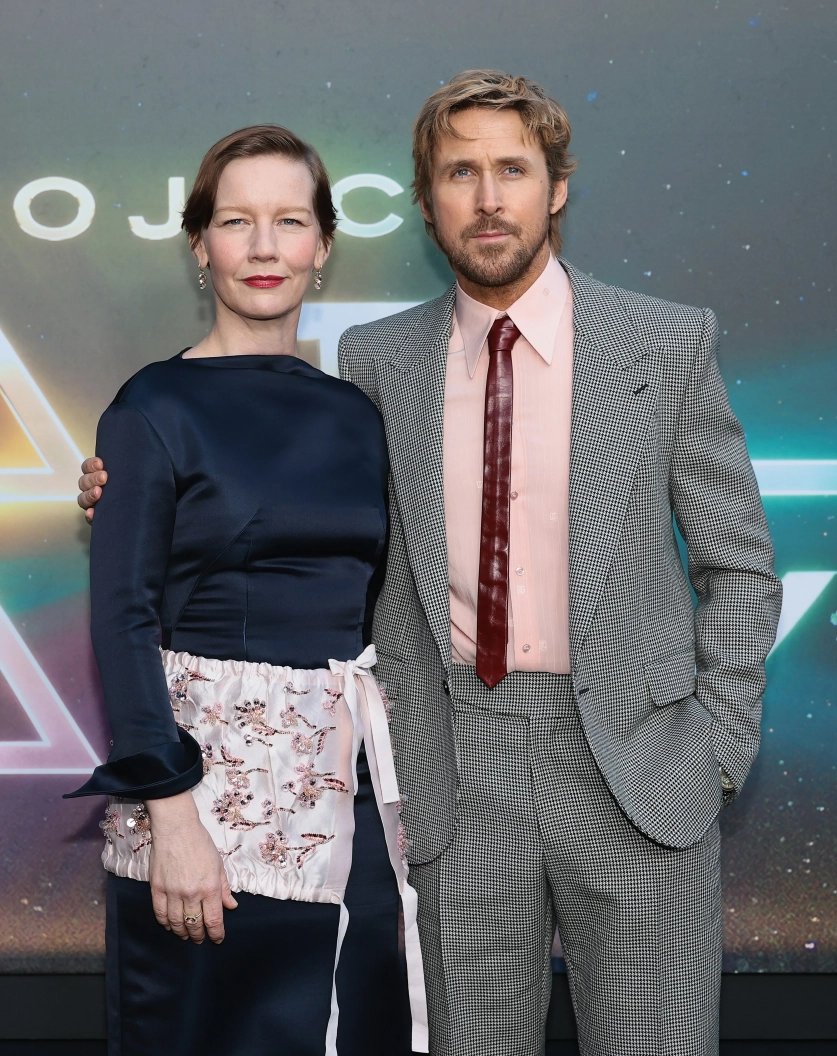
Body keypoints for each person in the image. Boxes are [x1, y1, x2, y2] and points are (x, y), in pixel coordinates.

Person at [79, 72, 783, 1056]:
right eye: (460, 173)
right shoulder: (378, 364)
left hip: (638, 768)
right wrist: (121, 493)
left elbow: (739, 566)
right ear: (424, 202)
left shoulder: (663, 344)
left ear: (557, 188)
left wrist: (715, 749)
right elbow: (275, 520)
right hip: (451, 771)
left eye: (512, 170)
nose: (488, 198)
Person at [67, 124, 427, 1056]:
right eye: (236, 221)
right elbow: (122, 624)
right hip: (204, 821)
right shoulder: (150, 407)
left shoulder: (359, 415)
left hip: (349, 819)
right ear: (200, 245)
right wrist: (173, 817)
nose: (265, 246)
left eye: (290, 221)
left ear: (323, 245)